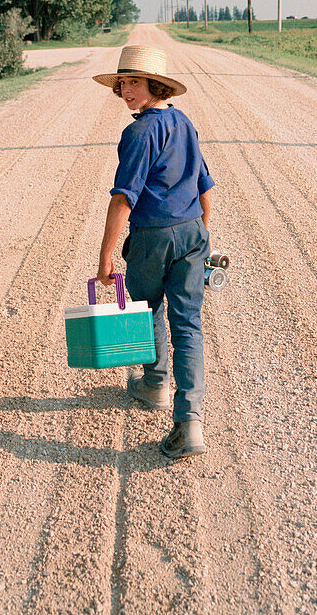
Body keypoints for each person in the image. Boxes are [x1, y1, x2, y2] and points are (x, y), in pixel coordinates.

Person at [93, 45, 214, 459]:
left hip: (153, 236)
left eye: (134, 82)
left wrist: (106, 255)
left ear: (155, 85)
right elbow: (205, 185)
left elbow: (124, 198)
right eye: (122, 83)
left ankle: (156, 383)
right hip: (192, 232)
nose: (126, 89)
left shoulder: (139, 133)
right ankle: (189, 424)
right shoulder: (184, 123)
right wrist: (198, 233)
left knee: (147, 311)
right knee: (188, 324)